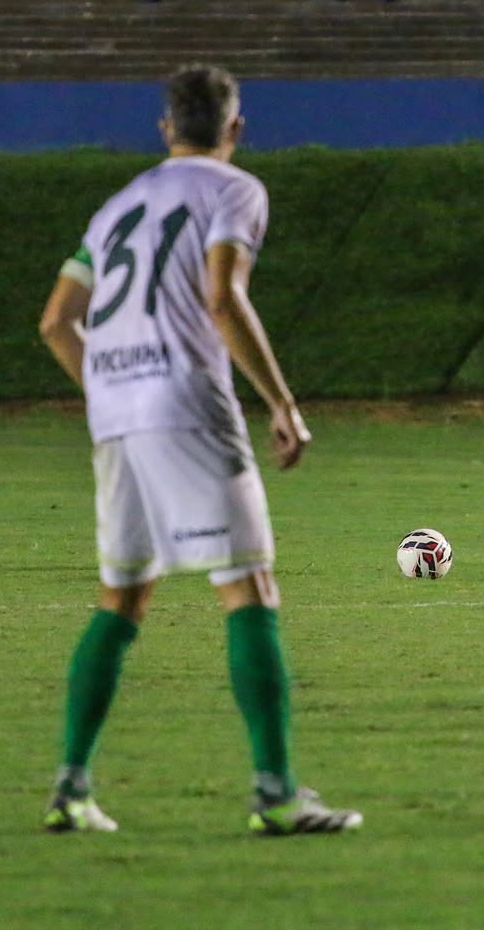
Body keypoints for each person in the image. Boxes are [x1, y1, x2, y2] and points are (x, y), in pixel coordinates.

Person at [38, 64, 362, 835]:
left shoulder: (117, 204)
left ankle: (70, 788)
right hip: (185, 400)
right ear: (235, 129)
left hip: (113, 410)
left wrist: (112, 388)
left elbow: (56, 323)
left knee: (124, 593)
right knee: (248, 586)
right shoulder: (233, 190)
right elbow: (222, 296)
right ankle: (277, 794)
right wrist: (281, 402)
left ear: (165, 129)